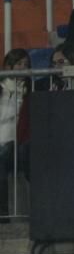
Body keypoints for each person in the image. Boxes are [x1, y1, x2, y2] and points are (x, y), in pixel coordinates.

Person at [0, 49, 31, 218]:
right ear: (9, 65)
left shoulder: (29, 91)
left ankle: (3, 214)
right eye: (19, 64)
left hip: (15, 142)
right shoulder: (2, 87)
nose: (23, 68)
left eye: (26, 64)